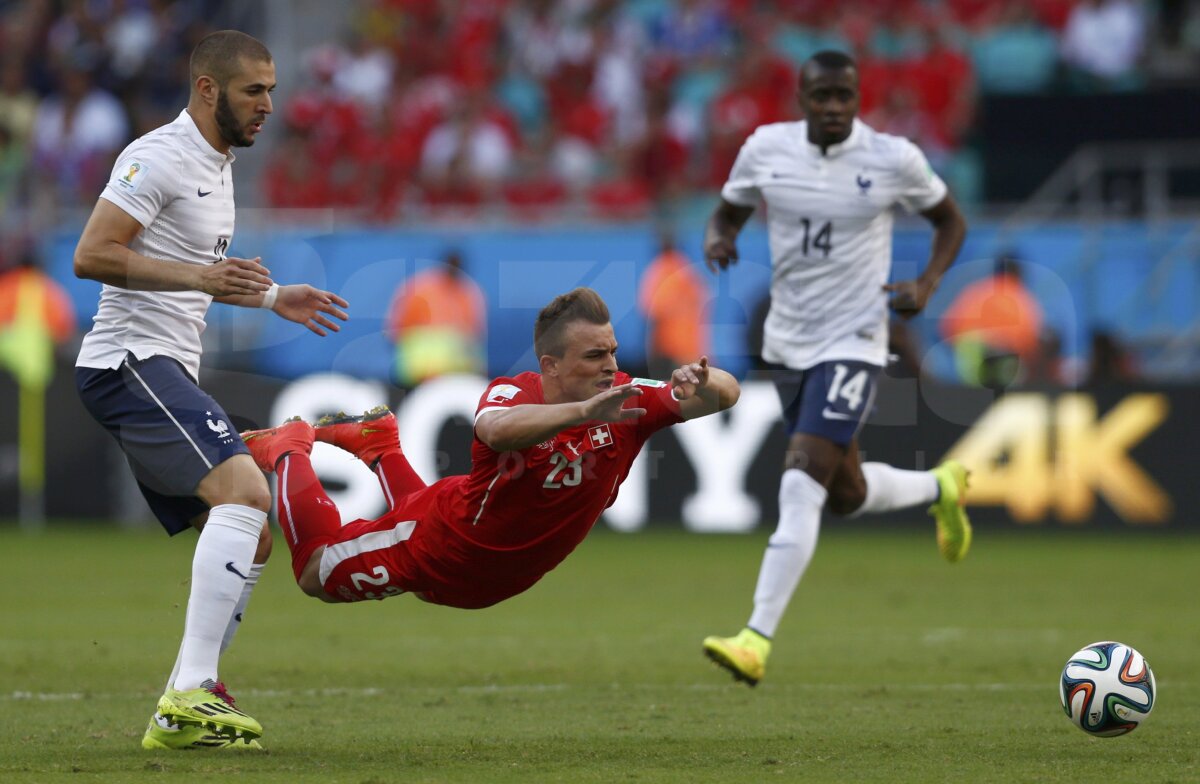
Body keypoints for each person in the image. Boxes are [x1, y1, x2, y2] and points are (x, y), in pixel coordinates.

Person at [72, 30, 349, 751]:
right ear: (207, 89)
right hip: (127, 361)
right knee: (248, 492)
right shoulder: (158, 156)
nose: (268, 105)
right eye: (254, 90)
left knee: (252, 534)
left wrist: (272, 297)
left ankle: (189, 705)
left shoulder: (218, 164)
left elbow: (198, 271)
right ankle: (188, 692)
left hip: (163, 367)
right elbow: (92, 254)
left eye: (273, 91)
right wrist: (201, 278)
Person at [700, 50, 972, 686]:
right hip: (788, 341)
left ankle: (755, 639)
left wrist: (929, 284)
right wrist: (720, 237)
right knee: (843, 494)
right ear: (801, 98)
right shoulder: (765, 148)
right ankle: (941, 487)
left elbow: (950, 220)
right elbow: (729, 210)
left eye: (843, 97)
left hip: (854, 338)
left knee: (801, 480)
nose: (832, 107)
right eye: (820, 96)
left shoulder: (892, 158)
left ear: (858, 98)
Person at [239, 287, 739, 614]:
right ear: (553, 365)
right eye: (594, 355)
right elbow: (496, 431)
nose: (610, 365)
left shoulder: (631, 399)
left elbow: (726, 394)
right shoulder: (513, 391)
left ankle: (379, 445)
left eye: (611, 351)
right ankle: (289, 448)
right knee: (314, 574)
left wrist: (703, 377)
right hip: (442, 545)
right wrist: (586, 414)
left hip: (496, 576)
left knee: (409, 522)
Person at [939, 253, 1043, 390]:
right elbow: (1030, 342)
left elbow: (946, 328)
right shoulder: (1022, 298)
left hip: (970, 369)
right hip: (1004, 368)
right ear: (1019, 273)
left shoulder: (975, 292)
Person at [385, 250, 487, 386]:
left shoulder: (468, 292)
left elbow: (474, 335)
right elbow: (396, 329)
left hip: (453, 374)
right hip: (418, 372)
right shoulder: (420, 288)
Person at [638, 232, 711, 379]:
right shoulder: (689, 270)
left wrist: (651, 351)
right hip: (692, 348)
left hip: (669, 348)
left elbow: (654, 311)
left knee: (669, 395)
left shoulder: (662, 269)